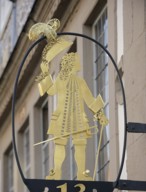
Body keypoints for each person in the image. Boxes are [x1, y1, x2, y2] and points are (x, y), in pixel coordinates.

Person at [41, 52, 106, 180]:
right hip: (62, 119)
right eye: (77, 61)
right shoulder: (60, 79)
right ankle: (57, 173)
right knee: (60, 145)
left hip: (78, 118)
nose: (79, 63)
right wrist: (45, 74)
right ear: (71, 64)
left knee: (80, 145)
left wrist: (100, 115)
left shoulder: (80, 81)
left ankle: (81, 174)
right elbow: (50, 91)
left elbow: (90, 100)